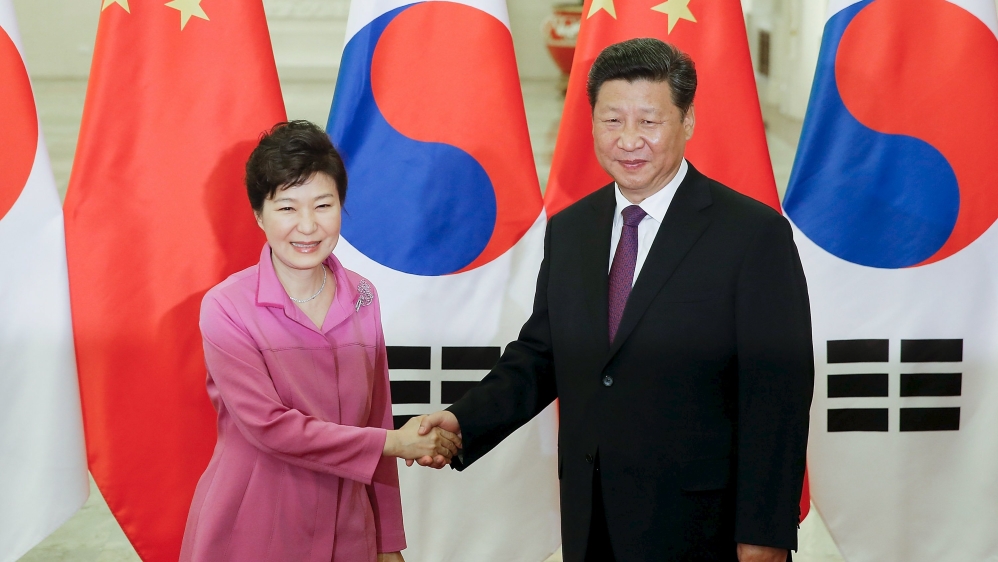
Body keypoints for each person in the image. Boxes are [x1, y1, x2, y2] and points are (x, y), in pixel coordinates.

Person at [416, 39, 814, 562]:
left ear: (687, 121)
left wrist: (764, 533)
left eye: (649, 121)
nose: (628, 140)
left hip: (701, 526)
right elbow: (542, 355)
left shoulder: (752, 234)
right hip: (592, 516)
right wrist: (464, 421)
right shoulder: (571, 229)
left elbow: (778, 395)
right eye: (612, 121)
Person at [179, 121, 460, 562]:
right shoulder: (226, 307)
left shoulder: (363, 295)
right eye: (287, 207)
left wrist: (387, 540)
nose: (308, 226)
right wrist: (393, 443)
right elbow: (270, 427)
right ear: (259, 214)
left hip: (349, 529)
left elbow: (377, 414)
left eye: (323, 205)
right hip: (254, 526)